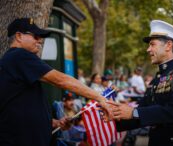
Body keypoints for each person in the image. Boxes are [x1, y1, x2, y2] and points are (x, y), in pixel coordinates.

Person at [0, 18, 112, 146]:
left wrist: (54, 123)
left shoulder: (14, 60)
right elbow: (61, 80)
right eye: (36, 36)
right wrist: (99, 97)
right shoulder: (19, 55)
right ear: (19, 36)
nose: (40, 40)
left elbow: (19, 106)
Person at [108, 20, 173, 146]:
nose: (148, 49)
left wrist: (133, 112)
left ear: (168, 45)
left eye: (152, 44)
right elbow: (143, 110)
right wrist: (115, 115)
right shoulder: (157, 78)